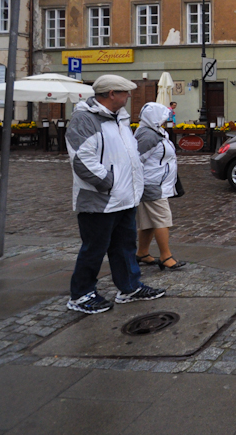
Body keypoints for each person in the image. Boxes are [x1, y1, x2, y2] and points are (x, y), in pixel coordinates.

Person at [65, 75, 165, 314]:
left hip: (124, 197)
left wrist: (129, 186)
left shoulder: (119, 118)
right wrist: (108, 183)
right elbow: (82, 160)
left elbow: (128, 155)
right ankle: (81, 295)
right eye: (125, 92)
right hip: (100, 200)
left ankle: (129, 287)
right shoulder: (85, 119)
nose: (129, 96)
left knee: (124, 246)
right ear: (111, 94)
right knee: (94, 249)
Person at [135, 102, 186, 271]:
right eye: (163, 117)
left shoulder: (155, 132)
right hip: (152, 185)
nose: (166, 120)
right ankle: (166, 256)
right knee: (162, 220)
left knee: (148, 221)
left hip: (155, 183)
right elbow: (136, 160)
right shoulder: (148, 136)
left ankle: (142, 252)